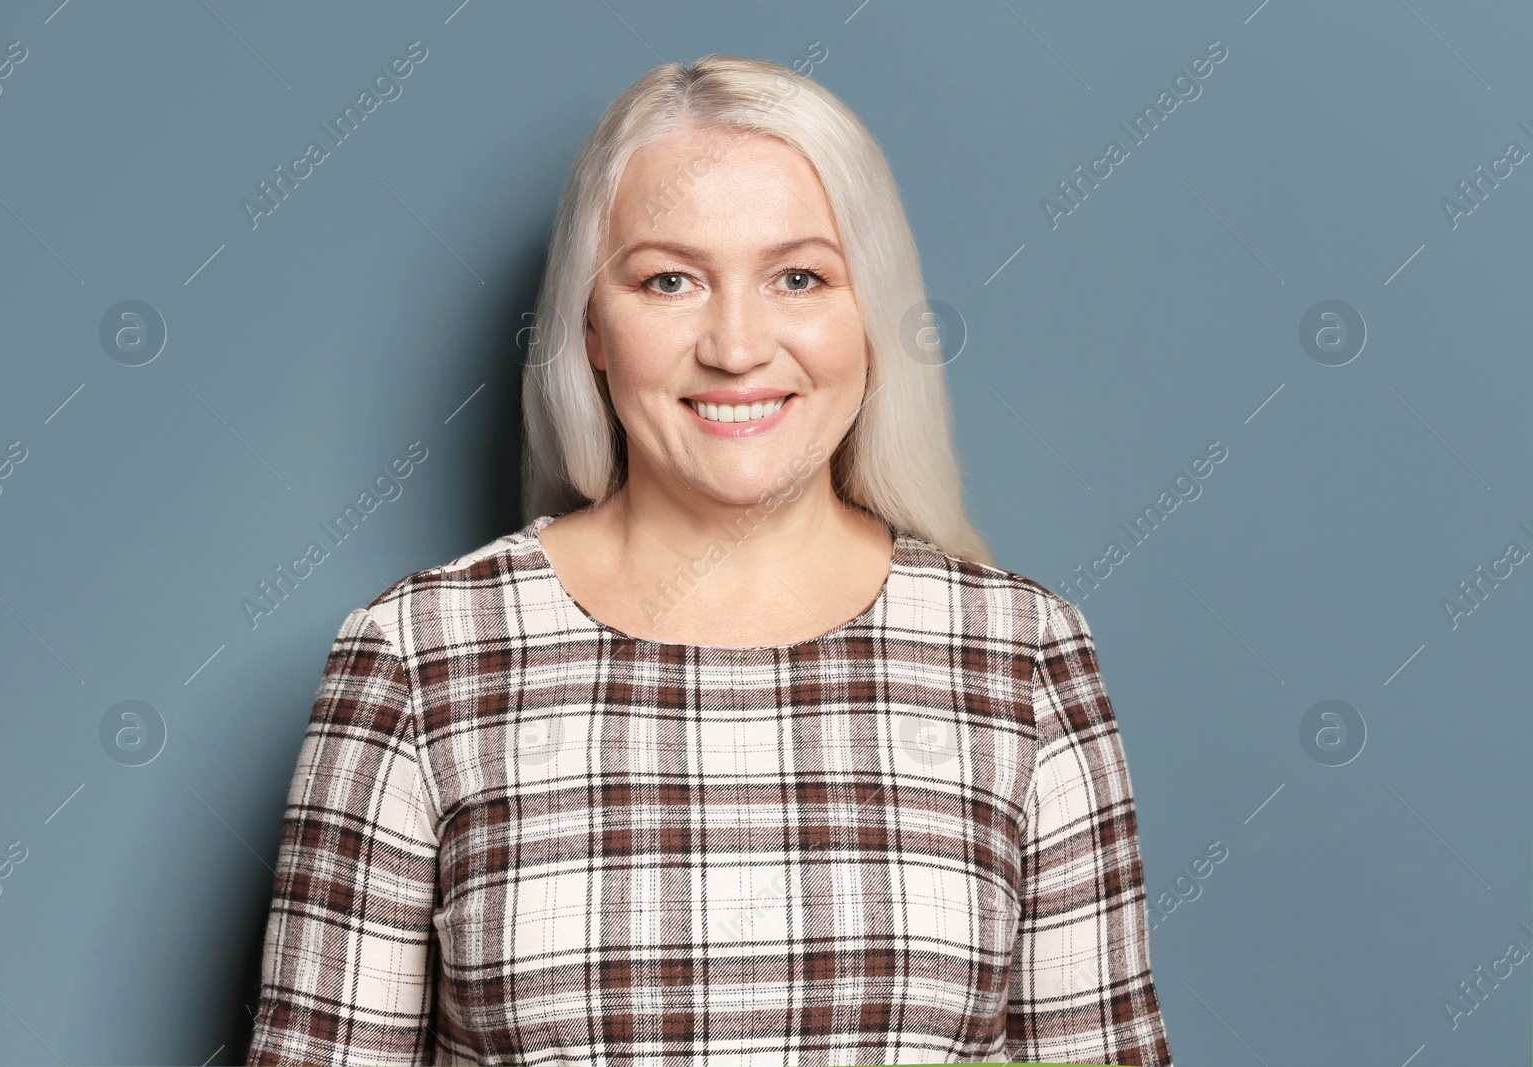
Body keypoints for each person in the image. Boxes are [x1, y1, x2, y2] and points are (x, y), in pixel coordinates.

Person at [246, 53, 1172, 1066]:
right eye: (669, 279)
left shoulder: (1019, 653)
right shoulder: (422, 655)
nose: (735, 345)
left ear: (870, 317)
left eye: (798, 277)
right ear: (594, 326)